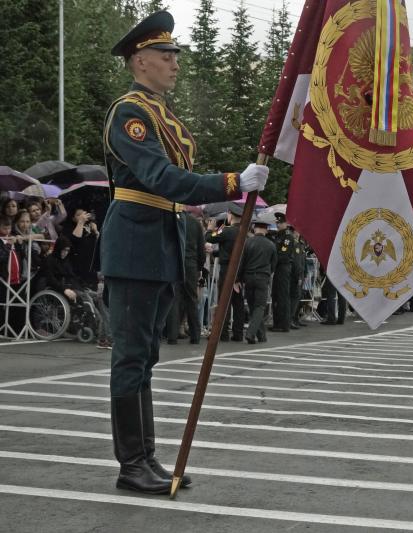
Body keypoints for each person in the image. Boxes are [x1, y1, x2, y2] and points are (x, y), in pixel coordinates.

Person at [102, 10, 268, 495]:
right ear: (139, 61)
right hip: (135, 242)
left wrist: (231, 187)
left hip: (158, 240)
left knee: (146, 356)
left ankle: (145, 458)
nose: (175, 63)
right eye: (165, 55)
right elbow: (160, 178)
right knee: (131, 357)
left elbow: (174, 186)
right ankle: (131, 462)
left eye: (175, 54)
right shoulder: (130, 113)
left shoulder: (163, 115)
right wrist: (232, 183)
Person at [205, 204, 246, 342]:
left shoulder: (227, 231)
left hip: (227, 269)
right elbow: (232, 250)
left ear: (230, 215)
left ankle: (222, 333)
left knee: (224, 301)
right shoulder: (245, 231)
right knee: (238, 302)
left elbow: (210, 237)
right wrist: (217, 252)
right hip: (240, 269)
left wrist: (209, 229)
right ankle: (238, 333)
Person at [166, 210, 205, 344]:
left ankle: (172, 335)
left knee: (174, 299)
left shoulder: (171, 220)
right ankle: (195, 335)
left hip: (175, 261)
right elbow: (201, 248)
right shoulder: (195, 223)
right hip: (191, 264)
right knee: (192, 299)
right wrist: (199, 267)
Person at [241, 216, 277, 343]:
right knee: (260, 307)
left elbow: (242, 262)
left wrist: (238, 279)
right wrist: (267, 274)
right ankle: (250, 334)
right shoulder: (271, 245)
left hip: (248, 277)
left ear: (254, 228)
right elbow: (273, 264)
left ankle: (262, 336)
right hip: (262, 277)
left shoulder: (247, 242)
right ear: (266, 230)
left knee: (253, 307)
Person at [270, 212, 294, 332]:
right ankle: (277, 322)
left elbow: (283, 255)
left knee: (282, 295)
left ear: (285, 223)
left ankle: (283, 324)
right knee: (276, 295)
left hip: (283, 268)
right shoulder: (277, 235)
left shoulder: (287, 237)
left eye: (280, 223)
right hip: (277, 268)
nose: (278, 225)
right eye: (277, 223)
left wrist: (272, 261)